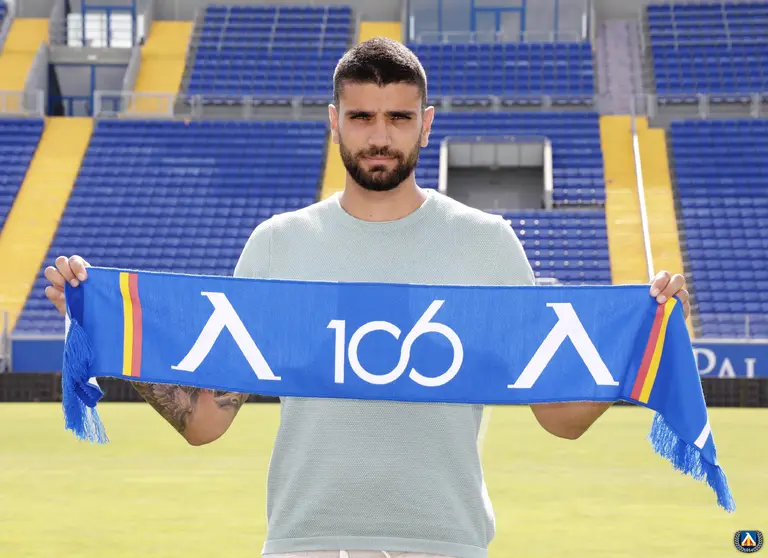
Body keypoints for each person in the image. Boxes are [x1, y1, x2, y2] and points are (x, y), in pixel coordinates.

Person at [44, 38, 690, 558]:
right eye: (361, 117)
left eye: (398, 118)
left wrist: (641, 339)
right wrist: (107, 333)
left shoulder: (487, 244)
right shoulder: (278, 245)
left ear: (425, 125)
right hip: (305, 541)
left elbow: (559, 417)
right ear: (335, 122)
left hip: (446, 541)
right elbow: (206, 422)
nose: (380, 135)